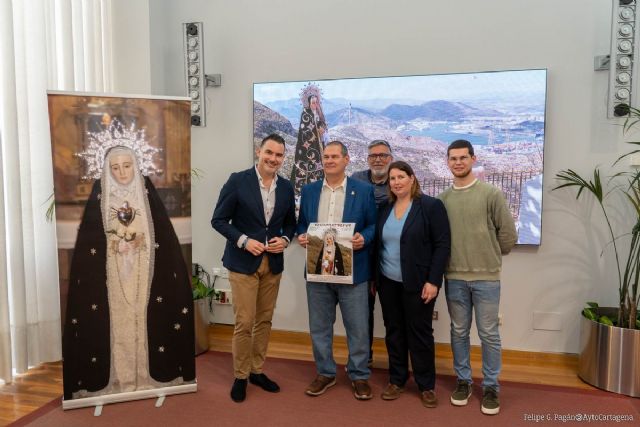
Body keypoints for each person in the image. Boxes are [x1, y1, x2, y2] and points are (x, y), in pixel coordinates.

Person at [63, 144, 195, 400]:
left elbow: (161, 236)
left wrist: (139, 241)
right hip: (113, 273)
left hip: (144, 270)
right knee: (117, 319)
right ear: (107, 169)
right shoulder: (101, 195)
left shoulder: (144, 192)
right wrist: (116, 243)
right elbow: (91, 242)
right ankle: (121, 377)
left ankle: (146, 375)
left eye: (127, 166)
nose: (122, 173)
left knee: (145, 315)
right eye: (115, 167)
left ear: (135, 165)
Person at [211, 134, 297, 403]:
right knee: (244, 322)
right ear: (259, 152)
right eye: (269, 152)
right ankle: (240, 375)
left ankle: (257, 370)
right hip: (242, 262)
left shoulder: (285, 187)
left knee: (264, 320)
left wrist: (283, 240)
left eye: (279, 155)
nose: (273, 159)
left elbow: (291, 225)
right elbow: (219, 220)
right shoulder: (238, 180)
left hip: (272, 264)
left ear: (283, 158)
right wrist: (244, 241)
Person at [438, 139, 517, 415]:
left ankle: (491, 386)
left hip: (486, 278)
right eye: (453, 158)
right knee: (458, 332)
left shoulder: (491, 194)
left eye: (463, 157)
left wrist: (491, 256)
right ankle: (463, 381)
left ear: (473, 159)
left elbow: (508, 234)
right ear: (447, 162)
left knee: (488, 334)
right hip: (455, 278)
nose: (458, 162)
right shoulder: (443, 200)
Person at [297, 141, 377, 400]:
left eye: (334, 156)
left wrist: (363, 238)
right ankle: (325, 373)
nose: (329, 160)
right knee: (320, 326)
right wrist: (301, 236)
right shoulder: (309, 191)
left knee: (358, 327)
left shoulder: (363, 191)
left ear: (346, 159)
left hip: (353, 271)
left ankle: (359, 375)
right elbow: (301, 225)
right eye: (326, 157)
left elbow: (374, 225)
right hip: (318, 271)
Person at [375, 161, 450, 408]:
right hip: (388, 282)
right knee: (394, 332)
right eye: (392, 178)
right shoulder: (385, 208)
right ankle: (396, 380)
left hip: (418, 283)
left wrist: (433, 281)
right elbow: (380, 245)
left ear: (412, 178)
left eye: (400, 177)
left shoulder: (430, 206)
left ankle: (426, 384)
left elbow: (442, 245)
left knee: (419, 334)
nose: (396, 182)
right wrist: (376, 279)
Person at [351, 139, 394, 366]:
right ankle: (363, 358)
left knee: (392, 314)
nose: (378, 159)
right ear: (367, 159)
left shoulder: (397, 178)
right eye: (373, 155)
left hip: (389, 257)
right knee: (362, 313)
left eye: (383, 155)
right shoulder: (356, 179)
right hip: (361, 256)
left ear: (391, 158)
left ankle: (396, 364)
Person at [290, 84, 327, 195]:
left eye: (317, 102)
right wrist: (317, 132)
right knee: (307, 167)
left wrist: (322, 127)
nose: (315, 105)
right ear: (309, 103)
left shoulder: (318, 113)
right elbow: (305, 131)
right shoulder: (305, 114)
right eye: (313, 103)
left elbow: (321, 124)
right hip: (306, 147)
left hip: (318, 145)